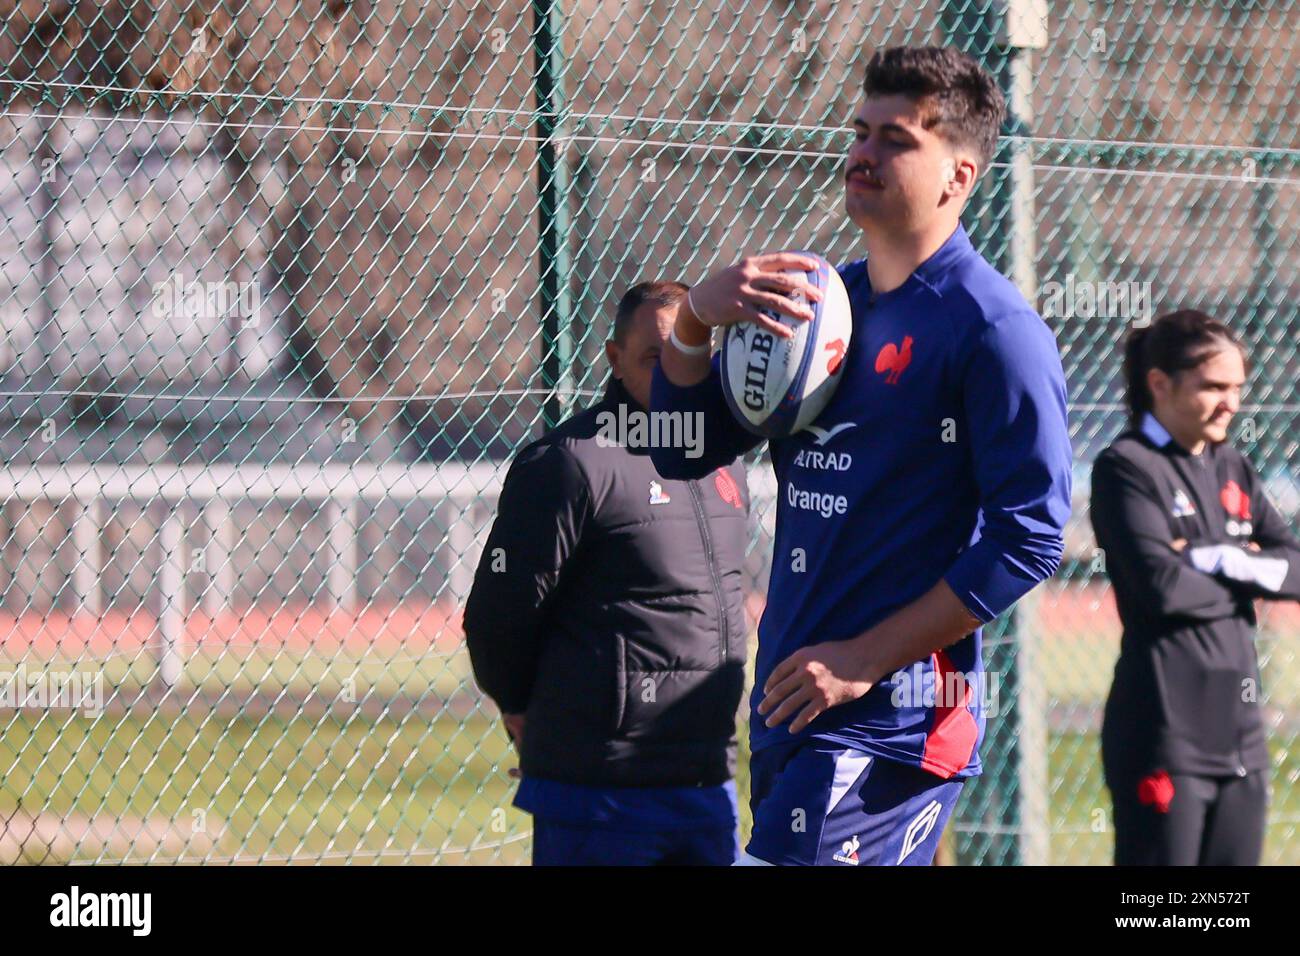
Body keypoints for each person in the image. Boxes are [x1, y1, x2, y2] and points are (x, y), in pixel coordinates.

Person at [649, 46, 1073, 865]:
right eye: (861, 131)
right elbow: (684, 449)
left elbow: (1031, 535)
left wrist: (862, 660)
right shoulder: (814, 306)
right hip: (794, 707)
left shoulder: (994, 331)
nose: (863, 155)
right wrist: (697, 320)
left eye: (896, 140)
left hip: (891, 725)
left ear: (959, 176)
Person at [463, 280, 751, 865]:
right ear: (615, 359)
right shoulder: (570, 464)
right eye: (654, 357)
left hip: (707, 783)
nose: (673, 374)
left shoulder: (727, 460)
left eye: (687, 356)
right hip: (600, 795)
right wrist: (523, 713)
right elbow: (497, 616)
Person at [1090, 309, 1300, 866]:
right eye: (1213, 386)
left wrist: (1213, 559)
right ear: (1160, 383)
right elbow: (1162, 588)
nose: (1231, 402)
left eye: (1236, 387)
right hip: (1163, 733)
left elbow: (1296, 572)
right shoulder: (1125, 468)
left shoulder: (1233, 466)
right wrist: (1251, 575)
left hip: (1241, 740)